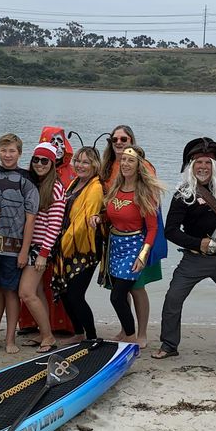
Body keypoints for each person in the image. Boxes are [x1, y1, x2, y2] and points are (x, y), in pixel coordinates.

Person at [154, 137, 216, 359]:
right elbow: (170, 231)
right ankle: (169, 344)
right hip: (194, 259)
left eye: (208, 163)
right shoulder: (183, 194)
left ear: (214, 166)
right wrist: (198, 243)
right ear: (191, 166)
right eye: (198, 163)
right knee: (173, 298)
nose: (203, 167)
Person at [100, 125, 166, 345]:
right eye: (114, 139)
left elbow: (153, 225)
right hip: (114, 243)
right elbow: (110, 211)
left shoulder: (144, 185)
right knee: (121, 291)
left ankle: (139, 334)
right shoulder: (112, 175)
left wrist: (144, 254)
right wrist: (99, 218)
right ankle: (126, 330)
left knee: (131, 290)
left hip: (135, 244)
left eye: (123, 138)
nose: (118, 142)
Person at [0, 133, 38, 354]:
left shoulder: (27, 179)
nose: (8, 155)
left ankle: (10, 339)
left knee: (11, 293)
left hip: (15, 246)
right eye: (4, 151)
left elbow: (31, 217)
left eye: (12, 151)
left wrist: (25, 250)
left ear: (19, 153)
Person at [53, 146, 105, 343]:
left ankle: (91, 336)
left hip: (84, 249)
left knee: (75, 294)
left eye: (86, 162)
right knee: (66, 293)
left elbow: (84, 221)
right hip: (67, 246)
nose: (80, 165)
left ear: (95, 165)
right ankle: (78, 333)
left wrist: (62, 243)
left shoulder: (95, 187)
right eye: (78, 161)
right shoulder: (75, 182)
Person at [21, 142, 66, 353]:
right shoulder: (34, 184)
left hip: (40, 247)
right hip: (31, 245)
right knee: (37, 291)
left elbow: (54, 226)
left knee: (27, 293)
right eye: (36, 159)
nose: (39, 164)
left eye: (44, 160)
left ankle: (48, 336)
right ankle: (43, 331)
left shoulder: (55, 188)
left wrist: (43, 254)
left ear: (53, 163)